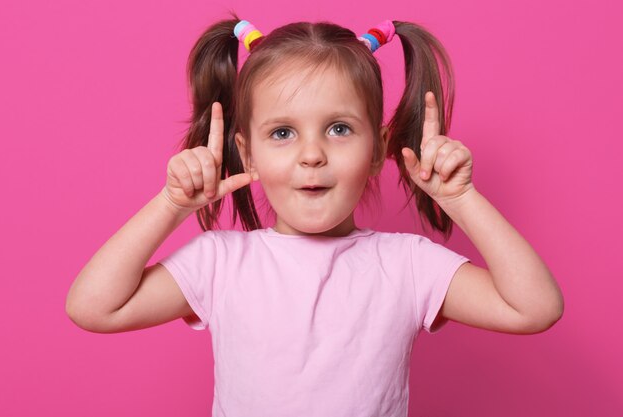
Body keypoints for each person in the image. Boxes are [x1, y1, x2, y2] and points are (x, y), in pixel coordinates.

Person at [66, 14, 564, 416]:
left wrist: (461, 199)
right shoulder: (220, 262)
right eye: (283, 132)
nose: (311, 155)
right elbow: (93, 307)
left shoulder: (408, 265)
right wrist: (171, 205)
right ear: (249, 153)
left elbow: (535, 308)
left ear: (378, 149)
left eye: (339, 129)